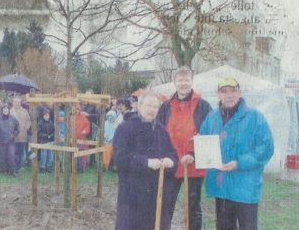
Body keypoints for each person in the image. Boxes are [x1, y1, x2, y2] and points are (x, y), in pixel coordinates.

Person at [199, 77, 274, 230]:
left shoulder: (255, 117)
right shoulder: (211, 117)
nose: (229, 95)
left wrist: (239, 163)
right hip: (222, 187)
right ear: (218, 94)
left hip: (245, 188)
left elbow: (266, 148)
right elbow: (203, 141)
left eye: (233, 91)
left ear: (240, 93)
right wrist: (195, 153)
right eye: (224, 91)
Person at [113, 91, 178, 230]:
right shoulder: (125, 128)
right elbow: (120, 158)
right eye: (148, 105)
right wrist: (146, 163)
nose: (152, 110)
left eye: (155, 107)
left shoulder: (162, 130)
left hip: (157, 195)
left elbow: (172, 153)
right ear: (139, 106)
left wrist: (170, 161)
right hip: (133, 195)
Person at [157, 66, 211, 230]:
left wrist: (194, 153)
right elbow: (158, 132)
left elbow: (209, 134)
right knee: (166, 204)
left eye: (186, 80)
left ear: (191, 81)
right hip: (170, 165)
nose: (183, 84)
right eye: (180, 80)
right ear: (175, 82)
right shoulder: (165, 106)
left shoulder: (203, 106)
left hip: (192, 165)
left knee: (193, 207)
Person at [0, 104, 19, 177]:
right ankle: (4, 170)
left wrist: (14, 135)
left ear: (8, 110)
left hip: (10, 141)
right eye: (4, 109)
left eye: (6, 109)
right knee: (2, 156)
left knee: (11, 155)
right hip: (1, 141)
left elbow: (17, 128)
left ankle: (13, 171)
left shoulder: (13, 119)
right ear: (2, 110)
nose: (5, 110)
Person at [10, 96, 31, 170]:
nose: (17, 103)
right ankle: (14, 165)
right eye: (15, 102)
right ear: (13, 103)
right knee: (13, 152)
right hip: (13, 137)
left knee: (21, 152)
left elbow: (29, 120)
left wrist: (27, 127)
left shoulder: (25, 111)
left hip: (22, 136)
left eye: (18, 102)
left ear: (20, 103)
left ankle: (20, 166)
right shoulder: (10, 111)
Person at [74, 103, 90, 172]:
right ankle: (74, 167)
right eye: (75, 109)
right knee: (74, 153)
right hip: (74, 139)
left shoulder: (83, 118)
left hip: (81, 139)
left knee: (82, 154)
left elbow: (87, 126)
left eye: (77, 109)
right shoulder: (71, 117)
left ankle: (81, 168)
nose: (76, 110)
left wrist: (85, 131)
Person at [37, 108, 55, 173]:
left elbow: (54, 131)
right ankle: (42, 167)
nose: (47, 116)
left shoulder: (51, 123)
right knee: (44, 154)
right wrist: (46, 136)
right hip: (43, 141)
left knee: (50, 154)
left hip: (50, 141)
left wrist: (51, 135)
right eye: (45, 115)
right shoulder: (40, 123)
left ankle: (49, 166)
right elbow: (39, 132)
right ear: (43, 116)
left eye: (48, 115)